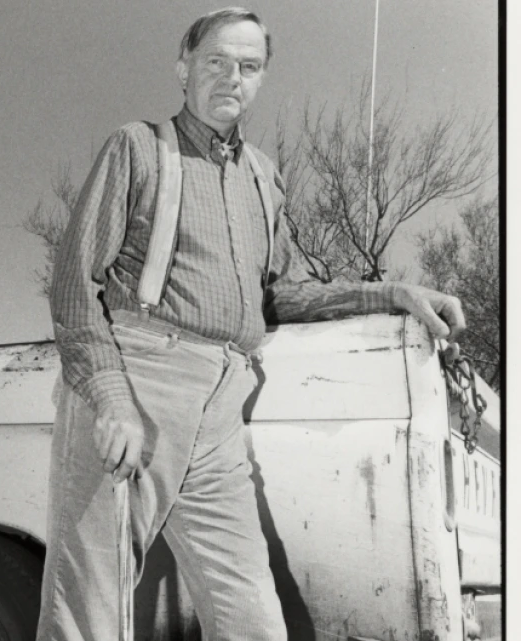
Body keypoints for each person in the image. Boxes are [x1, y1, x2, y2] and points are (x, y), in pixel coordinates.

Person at [38, 7, 465, 641]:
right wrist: (109, 398)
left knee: (252, 617)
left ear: (261, 79)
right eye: (216, 61)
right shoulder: (138, 146)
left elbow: (282, 296)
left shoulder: (264, 178)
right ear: (184, 69)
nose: (231, 78)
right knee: (89, 614)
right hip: (140, 379)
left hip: (223, 409)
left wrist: (394, 291)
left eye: (248, 66)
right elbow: (75, 283)